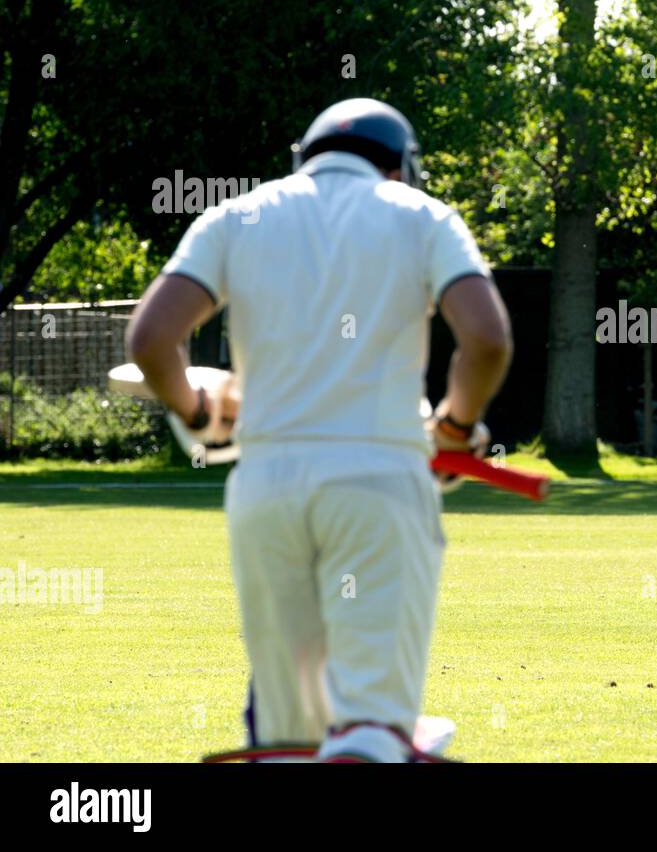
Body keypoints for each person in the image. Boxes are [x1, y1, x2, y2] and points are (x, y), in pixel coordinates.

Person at [126, 97, 512, 761]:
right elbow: (486, 339)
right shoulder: (423, 216)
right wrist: (455, 428)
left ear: (304, 156)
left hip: (266, 486)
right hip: (379, 483)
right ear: (398, 166)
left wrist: (196, 414)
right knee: (372, 731)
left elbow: (152, 338)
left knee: (286, 740)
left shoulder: (236, 215)